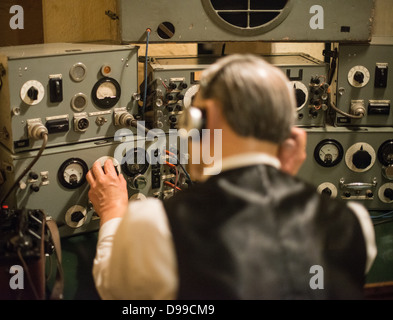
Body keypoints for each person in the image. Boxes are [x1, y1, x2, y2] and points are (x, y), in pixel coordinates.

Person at [86, 54, 377, 300]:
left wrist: (112, 210)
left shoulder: (155, 223)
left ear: (200, 121)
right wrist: (279, 176)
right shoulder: (354, 224)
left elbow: (113, 288)